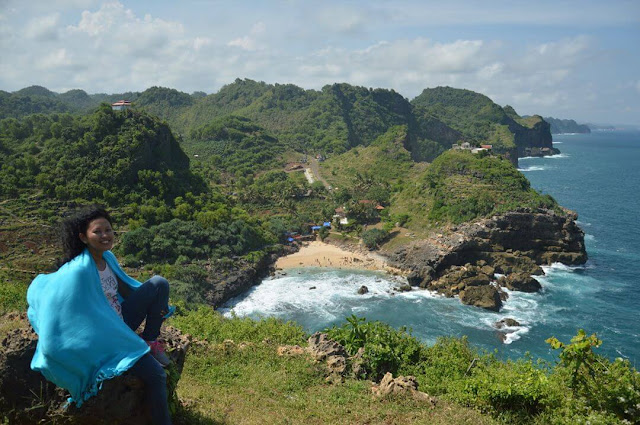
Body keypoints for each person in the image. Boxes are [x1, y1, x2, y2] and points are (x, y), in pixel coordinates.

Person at [27, 205, 174, 425]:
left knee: (159, 284)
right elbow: (59, 302)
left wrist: (149, 302)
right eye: (97, 231)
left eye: (108, 230)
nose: (105, 235)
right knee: (156, 376)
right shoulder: (78, 271)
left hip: (119, 322)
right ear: (83, 237)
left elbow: (123, 291)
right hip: (105, 336)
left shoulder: (108, 258)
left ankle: (150, 340)